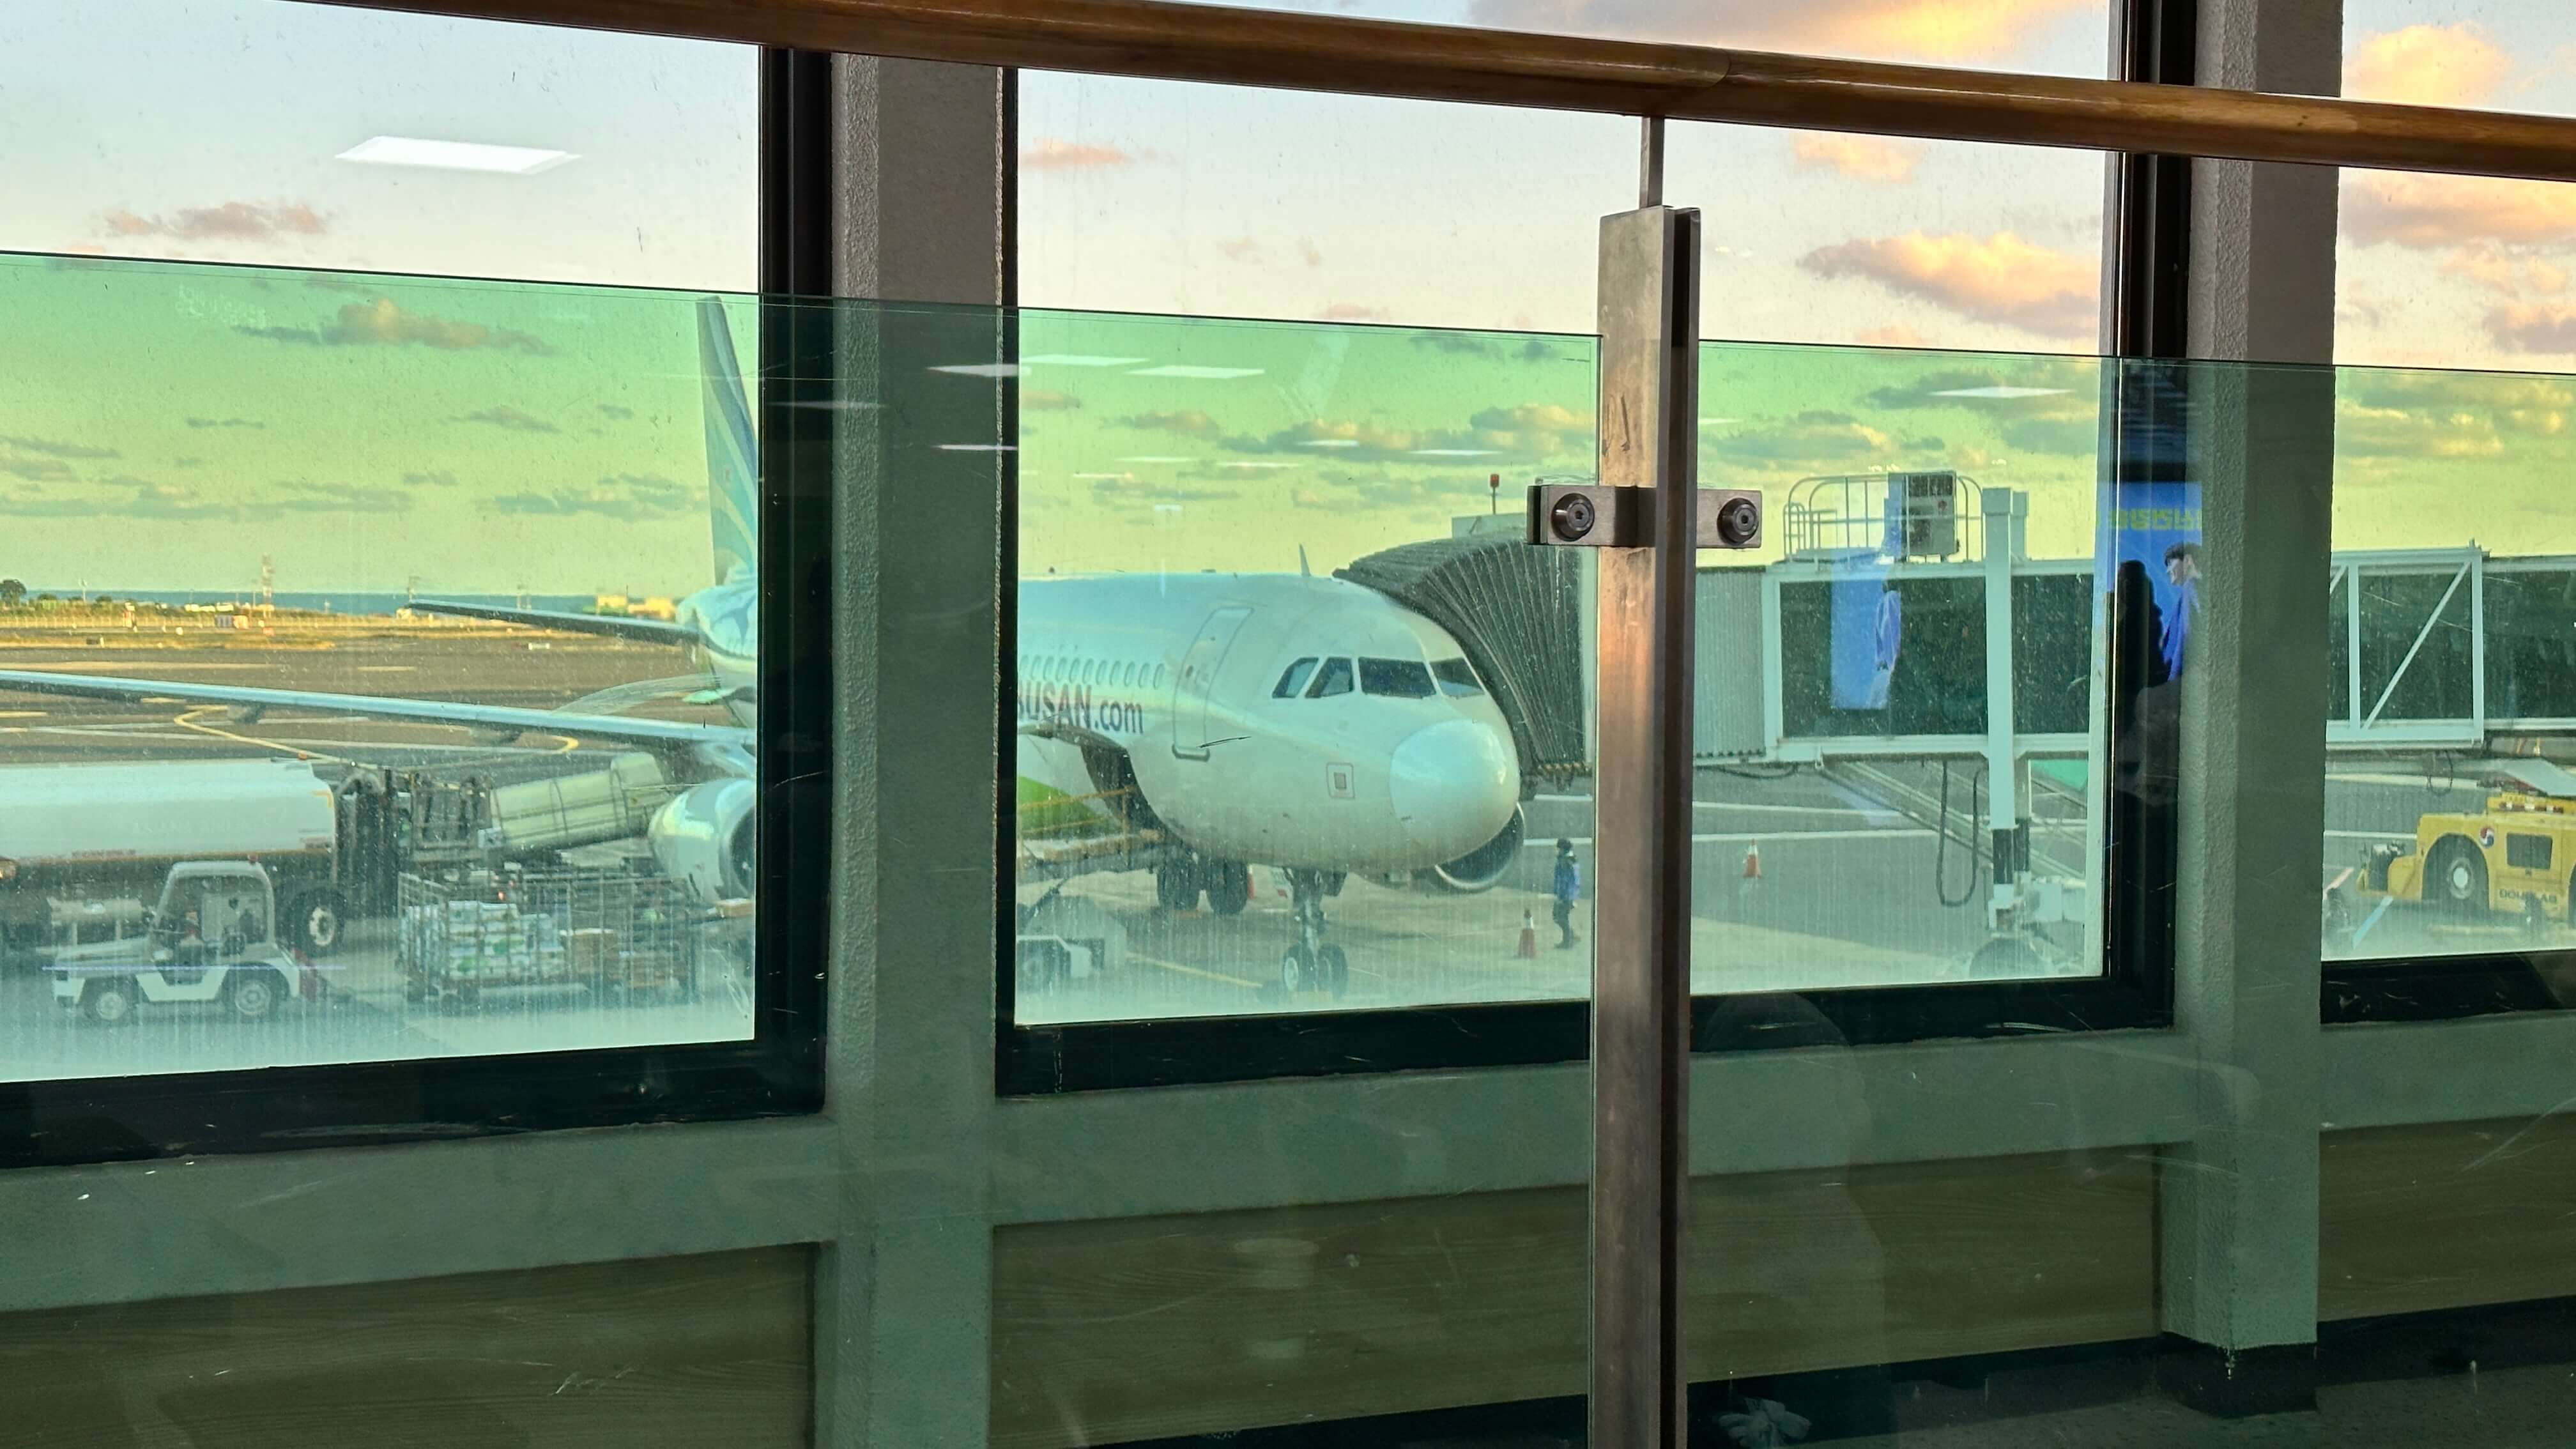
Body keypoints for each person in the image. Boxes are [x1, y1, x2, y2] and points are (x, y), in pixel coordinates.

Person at [2160, 540, 2202, 680]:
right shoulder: (2195, 590)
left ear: (2188, 560)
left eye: (2171, 563)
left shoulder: (2191, 587)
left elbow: (2186, 637)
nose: (2167, 570)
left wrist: (2174, 679)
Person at [1551, 838, 1581, 949]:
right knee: (1559, 916)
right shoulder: (1567, 859)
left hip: (1566, 895)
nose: (1557, 850)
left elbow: (1567, 880)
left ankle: (1568, 940)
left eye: (1559, 848)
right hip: (1567, 894)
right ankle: (1571, 937)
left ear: (1563, 849)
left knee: (1560, 917)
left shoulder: (1566, 861)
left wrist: (1564, 896)